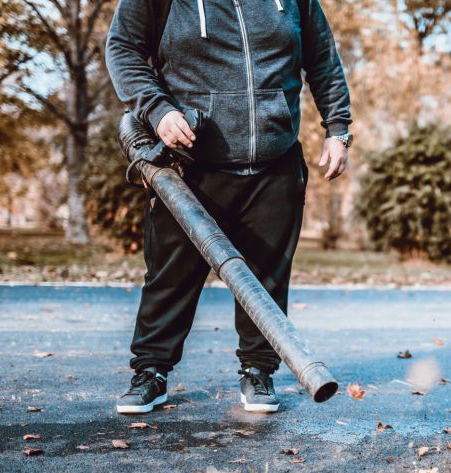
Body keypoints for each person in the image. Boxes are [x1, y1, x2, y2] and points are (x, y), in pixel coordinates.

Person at [106, 0, 352, 414]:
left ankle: (258, 371)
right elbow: (123, 48)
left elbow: (323, 57)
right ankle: (152, 372)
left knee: (266, 276)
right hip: (189, 165)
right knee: (170, 277)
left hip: (275, 163)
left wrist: (338, 128)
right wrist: (157, 109)